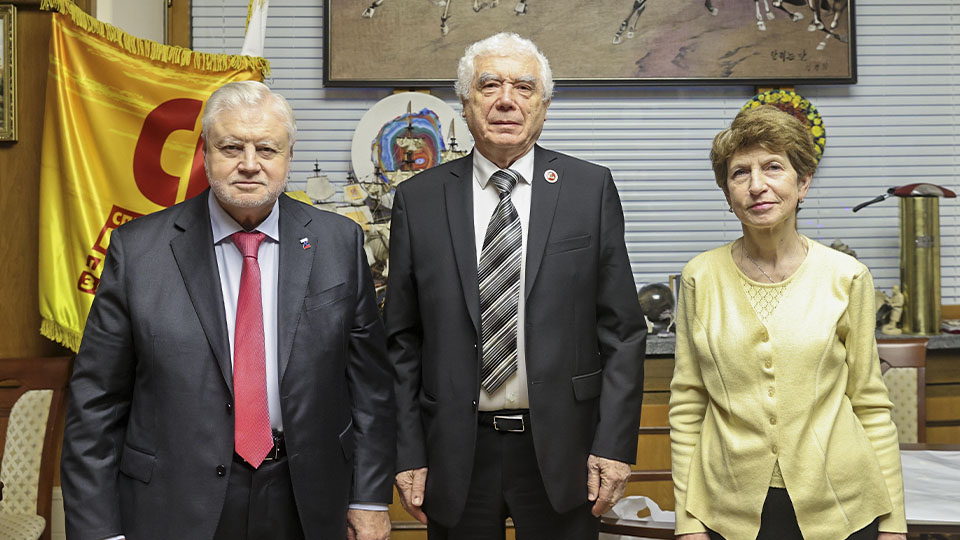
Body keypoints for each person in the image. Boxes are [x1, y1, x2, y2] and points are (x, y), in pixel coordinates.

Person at [60, 81, 395, 540]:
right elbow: (96, 402)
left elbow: (370, 389)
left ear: (289, 156)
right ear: (204, 153)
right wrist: (99, 531)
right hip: (174, 503)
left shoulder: (339, 242)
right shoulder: (138, 251)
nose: (250, 164)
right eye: (231, 147)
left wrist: (369, 498)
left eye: (267, 149)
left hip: (307, 499)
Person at [385, 32, 647, 539]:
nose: (506, 100)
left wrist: (614, 446)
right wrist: (408, 451)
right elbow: (401, 341)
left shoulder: (588, 189)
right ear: (465, 103)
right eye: (489, 86)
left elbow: (622, 331)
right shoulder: (419, 200)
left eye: (524, 87)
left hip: (566, 452)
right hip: (455, 453)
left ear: (543, 105)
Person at [670, 105, 907, 540]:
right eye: (740, 173)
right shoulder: (699, 277)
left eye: (773, 167)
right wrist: (688, 523)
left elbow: (871, 405)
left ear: (803, 183)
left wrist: (894, 523)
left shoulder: (846, 276)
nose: (756, 185)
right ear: (727, 194)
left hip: (842, 504)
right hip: (728, 508)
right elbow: (688, 405)